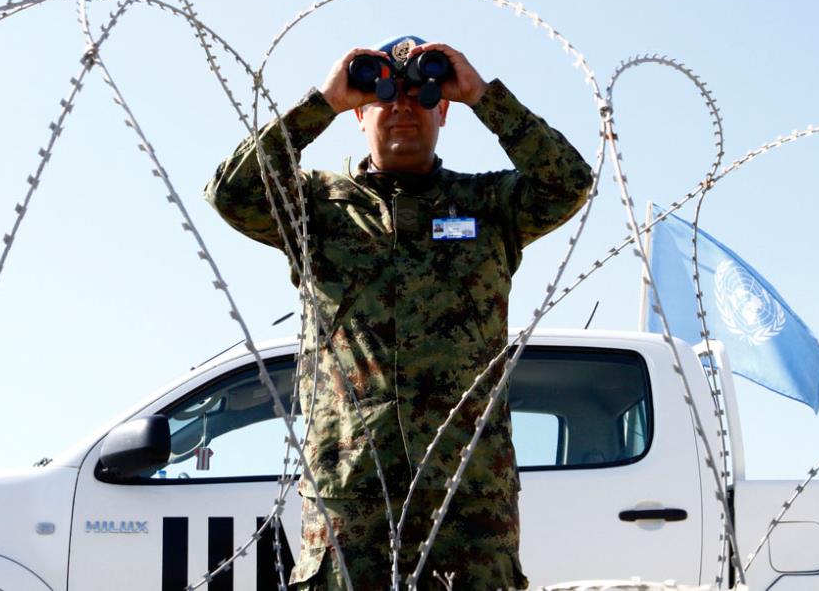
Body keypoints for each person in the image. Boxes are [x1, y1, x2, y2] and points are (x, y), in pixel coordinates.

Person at [205, 35, 593, 590]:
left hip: (466, 495)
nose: (401, 107)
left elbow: (570, 182)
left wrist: (483, 96)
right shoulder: (315, 209)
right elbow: (230, 193)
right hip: (351, 494)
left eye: (420, 94)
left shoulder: (489, 205)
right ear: (359, 113)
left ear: (443, 109)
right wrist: (323, 102)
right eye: (383, 95)